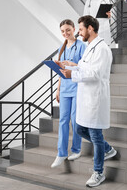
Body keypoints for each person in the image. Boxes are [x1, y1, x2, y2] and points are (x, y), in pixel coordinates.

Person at [57, 15, 117, 187]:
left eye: (81, 29)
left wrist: (72, 74)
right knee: (80, 129)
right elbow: (86, 67)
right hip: (86, 97)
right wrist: (70, 65)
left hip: (96, 98)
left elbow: (96, 73)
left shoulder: (102, 48)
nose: (79, 32)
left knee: (96, 136)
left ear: (90, 28)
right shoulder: (91, 46)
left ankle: (98, 172)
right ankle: (108, 149)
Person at [50, 19, 86, 168]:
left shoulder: (82, 46)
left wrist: (73, 64)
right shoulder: (62, 48)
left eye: (68, 30)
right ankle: (61, 153)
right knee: (63, 120)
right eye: (63, 31)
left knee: (75, 120)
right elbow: (60, 71)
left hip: (77, 87)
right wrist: (58, 89)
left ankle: (76, 149)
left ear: (74, 29)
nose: (65, 33)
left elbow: (86, 67)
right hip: (64, 88)